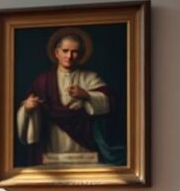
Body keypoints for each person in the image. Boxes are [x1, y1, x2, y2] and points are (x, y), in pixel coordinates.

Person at [15, 29, 124, 166]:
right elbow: (29, 107)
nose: (70, 56)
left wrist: (87, 95)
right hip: (53, 146)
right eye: (65, 51)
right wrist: (27, 108)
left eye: (75, 51)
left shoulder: (90, 77)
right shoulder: (42, 81)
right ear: (56, 53)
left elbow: (110, 103)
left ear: (81, 54)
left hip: (84, 147)